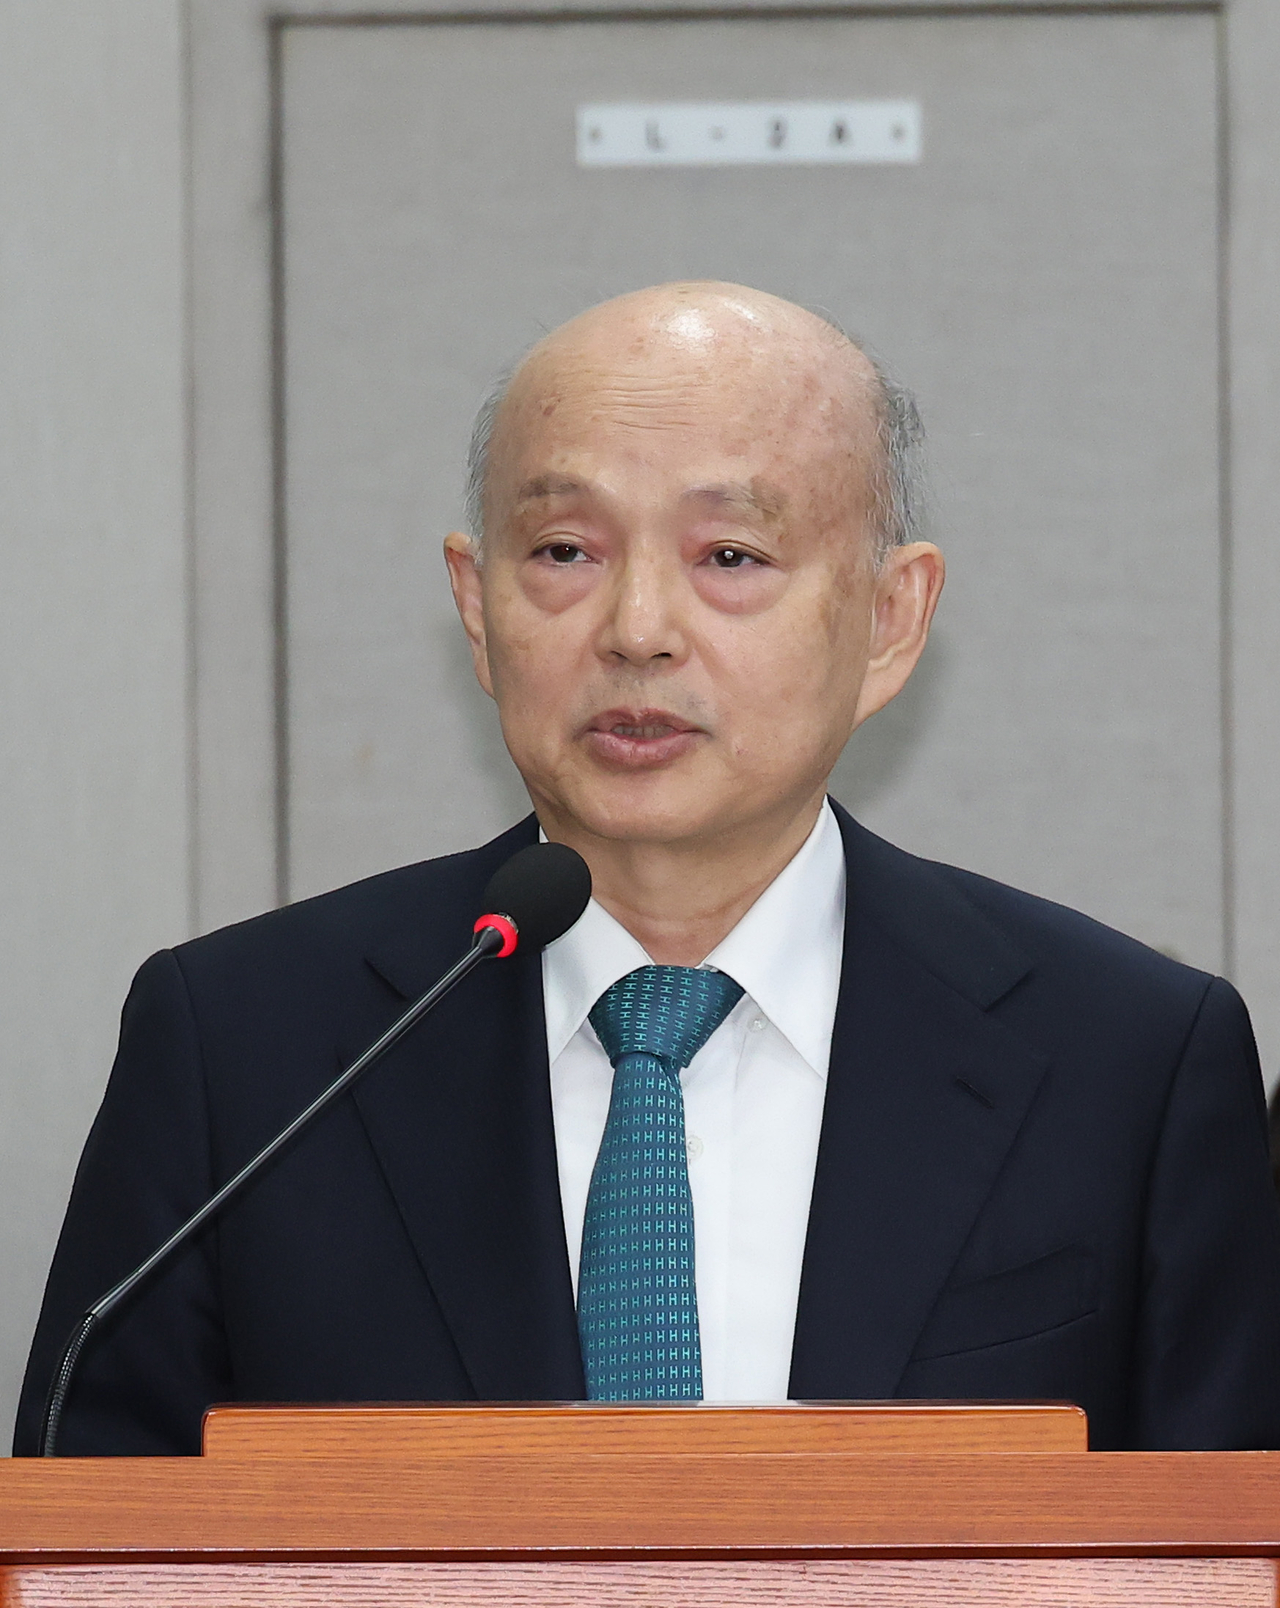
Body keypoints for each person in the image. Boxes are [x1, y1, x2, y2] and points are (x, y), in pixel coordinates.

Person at [14, 282, 1280, 1456]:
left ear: (890, 620)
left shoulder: (1130, 1064)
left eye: (729, 558)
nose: (634, 631)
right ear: (475, 605)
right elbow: (91, 1536)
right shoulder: (245, 1051)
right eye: (564, 552)